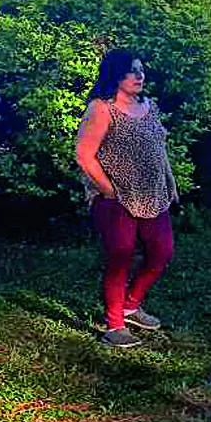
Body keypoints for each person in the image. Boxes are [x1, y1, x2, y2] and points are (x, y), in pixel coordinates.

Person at [75, 50, 177, 348]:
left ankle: (131, 306)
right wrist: (107, 189)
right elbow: (84, 154)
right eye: (131, 71)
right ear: (115, 74)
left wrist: (170, 182)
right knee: (120, 255)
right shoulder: (101, 109)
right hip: (116, 198)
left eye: (141, 70)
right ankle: (115, 325)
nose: (139, 76)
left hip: (154, 194)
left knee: (162, 253)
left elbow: (160, 148)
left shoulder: (149, 106)